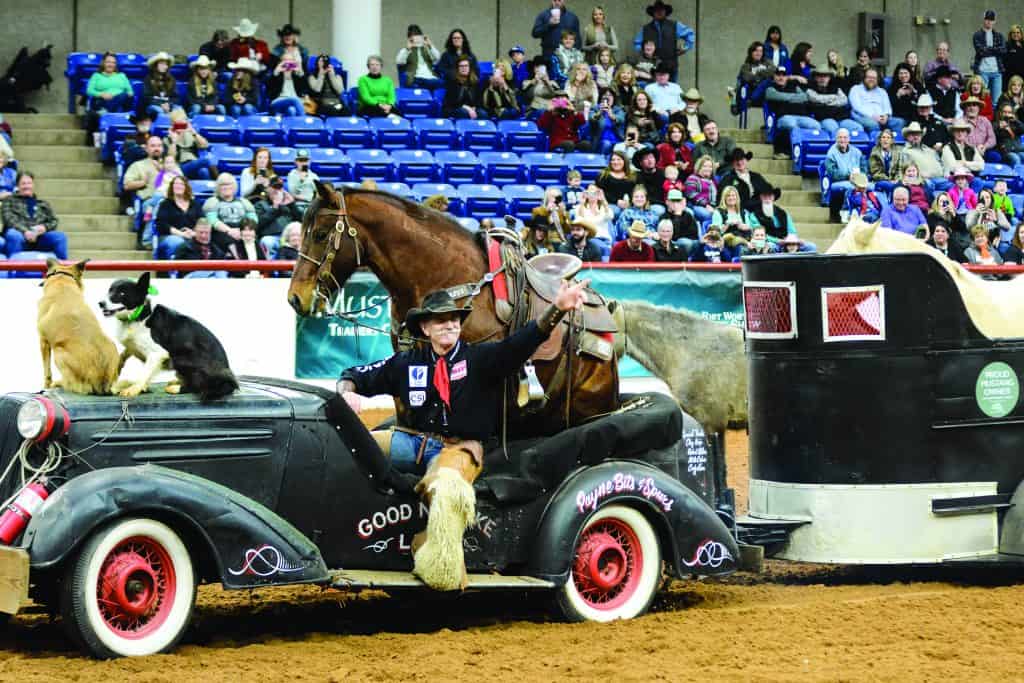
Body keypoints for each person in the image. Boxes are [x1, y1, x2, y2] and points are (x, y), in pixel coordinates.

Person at [338, 279, 588, 588]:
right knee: (345, 448)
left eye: (454, 319)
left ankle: (439, 570)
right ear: (425, 329)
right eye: (440, 320)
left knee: (448, 487)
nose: (450, 324)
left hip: (460, 450)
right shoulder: (406, 363)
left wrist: (557, 309)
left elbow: (522, 342)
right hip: (412, 442)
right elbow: (354, 376)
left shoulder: (480, 359)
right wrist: (346, 392)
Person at [2, 172, 66, 259]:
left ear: (33, 185)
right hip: (19, 236)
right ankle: (13, 269)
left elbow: (54, 221)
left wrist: (44, 227)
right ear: (18, 186)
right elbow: (9, 219)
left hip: (39, 238)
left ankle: (63, 270)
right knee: (13, 235)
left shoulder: (42, 203)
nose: (27, 186)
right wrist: (25, 231)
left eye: (29, 183)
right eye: (23, 183)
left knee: (60, 237)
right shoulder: (9, 200)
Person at [633, 0, 694, 83]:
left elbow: (690, 34)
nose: (659, 12)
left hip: (671, 65)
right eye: (656, 10)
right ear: (653, 12)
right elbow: (637, 43)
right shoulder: (645, 28)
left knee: (671, 90)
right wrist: (645, 54)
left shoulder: (675, 25)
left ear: (665, 11)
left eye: (661, 10)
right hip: (651, 68)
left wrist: (685, 48)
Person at [765, 66, 817, 158]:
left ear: (787, 77)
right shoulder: (770, 88)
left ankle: (810, 153)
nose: (781, 77)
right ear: (774, 76)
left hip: (801, 116)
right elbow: (776, 96)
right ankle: (794, 153)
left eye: (783, 75)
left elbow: (804, 97)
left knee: (816, 126)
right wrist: (795, 98)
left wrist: (787, 98)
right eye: (778, 75)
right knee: (792, 125)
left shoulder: (794, 86)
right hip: (783, 117)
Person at [203, 173, 258, 252]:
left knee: (252, 239)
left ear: (234, 186)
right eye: (223, 185)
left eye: (229, 184)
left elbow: (253, 219)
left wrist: (244, 231)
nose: (226, 187)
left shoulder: (244, 202)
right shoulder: (212, 202)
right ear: (218, 187)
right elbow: (212, 220)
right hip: (222, 232)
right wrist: (229, 231)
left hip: (244, 230)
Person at [154, 175, 202, 260]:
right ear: (172, 187)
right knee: (178, 242)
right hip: (169, 236)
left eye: (181, 184)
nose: (178, 186)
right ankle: (175, 270)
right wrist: (181, 234)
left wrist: (194, 233)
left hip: (191, 235)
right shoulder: (165, 204)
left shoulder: (194, 204)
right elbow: (161, 225)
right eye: (176, 184)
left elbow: (201, 221)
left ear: (186, 187)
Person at [824, 128, 867, 217]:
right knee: (849, 187)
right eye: (840, 137)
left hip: (858, 180)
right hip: (838, 181)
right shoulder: (831, 154)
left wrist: (860, 178)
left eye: (845, 137)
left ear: (849, 139)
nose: (842, 140)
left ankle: (865, 213)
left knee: (871, 187)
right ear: (836, 139)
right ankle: (846, 212)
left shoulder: (857, 152)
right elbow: (832, 173)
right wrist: (848, 176)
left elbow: (864, 168)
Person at [806, 67, 861, 135]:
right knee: (834, 130)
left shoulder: (836, 88)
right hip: (825, 118)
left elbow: (844, 100)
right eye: (820, 76)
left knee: (858, 128)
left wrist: (827, 103)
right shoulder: (810, 89)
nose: (823, 78)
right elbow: (816, 98)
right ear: (815, 78)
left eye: (825, 76)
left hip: (842, 118)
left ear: (829, 78)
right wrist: (834, 97)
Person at [164, 109, 215, 181]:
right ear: (172, 124)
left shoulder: (191, 134)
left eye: (182, 124)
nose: (180, 127)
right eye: (177, 125)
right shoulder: (167, 139)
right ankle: (218, 180)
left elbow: (205, 145)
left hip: (194, 163)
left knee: (204, 172)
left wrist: (194, 133)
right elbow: (171, 158)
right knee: (207, 160)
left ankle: (208, 190)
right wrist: (174, 142)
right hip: (179, 167)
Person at [900, 122, 949, 194]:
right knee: (929, 185)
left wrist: (946, 172)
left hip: (941, 179)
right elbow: (904, 171)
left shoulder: (930, 150)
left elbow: (941, 164)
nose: (916, 137)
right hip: (923, 181)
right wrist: (919, 178)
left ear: (921, 136)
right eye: (912, 134)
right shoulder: (905, 151)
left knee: (955, 186)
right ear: (907, 136)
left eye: (918, 134)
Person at [849, 68, 903, 132]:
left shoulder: (882, 91)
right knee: (873, 124)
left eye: (874, 78)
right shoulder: (855, 89)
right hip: (863, 117)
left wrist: (886, 116)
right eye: (869, 77)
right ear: (864, 78)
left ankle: (894, 142)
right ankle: (877, 141)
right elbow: (857, 107)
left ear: (877, 79)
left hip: (882, 117)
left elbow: (887, 106)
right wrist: (873, 116)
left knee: (899, 122)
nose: (871, 80)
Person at [710, 185, 758, 250]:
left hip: (744, 237)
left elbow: (750, 228)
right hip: (728, 241)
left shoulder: (743, 212)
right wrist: (727, 225)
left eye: (733, 195)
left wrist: (742, 226)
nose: (731, 198)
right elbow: (715, 232)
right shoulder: (718, 212)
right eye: (728, 196)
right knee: (733, 240)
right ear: (724, 198)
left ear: (737, 197)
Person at [972, 10, 1005, 103]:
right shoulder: (977, 35)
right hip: (982, 71)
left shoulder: (999, 36)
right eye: (987, 19)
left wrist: (988, 49)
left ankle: (994, 117)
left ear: (994, 21)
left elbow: (1003, 51)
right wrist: (995, 50)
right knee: (981, 99)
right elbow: (980, 51)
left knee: (996, 101)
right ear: (984, 20)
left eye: (991, 20)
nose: (989, 21)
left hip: (997, 71)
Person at [397, 24, 442, 89]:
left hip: (431, 77)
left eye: (417, 35)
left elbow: (438, 58)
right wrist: (407, 49)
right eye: (413, 36)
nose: (416, 38)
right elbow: (399, 61)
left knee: (441, 83)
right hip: (415, 78)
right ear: (409, 38)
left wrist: (430, 45)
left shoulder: (427, 49)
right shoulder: (406, 50)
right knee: (430, 83)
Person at [267, 50, 309, 117]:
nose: (288, 62)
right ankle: (304, 123)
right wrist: (275, 73)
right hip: (278, 101)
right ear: (280, 62)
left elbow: (305, 90)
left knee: (291, 110)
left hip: (295, 102)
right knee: (294, 99)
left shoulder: (296, 75)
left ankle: (292, 127)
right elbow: (269, 91)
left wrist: (300, 73)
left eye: (290, 60)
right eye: (285, 60)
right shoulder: (277, 74)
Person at [140, 52, 181, 121]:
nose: (164, 66)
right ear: (155, 65)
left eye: (166, 64)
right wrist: (161, 104)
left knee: (179, 110)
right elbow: (146, 98)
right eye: (161, 64)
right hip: (153, 106)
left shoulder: (171, 79)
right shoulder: (148, 79)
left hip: (168, 105)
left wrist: (169, 104)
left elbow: (176, 97)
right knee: (160, 111)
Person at [867, 128, 906, 196]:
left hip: (895, 180)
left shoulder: (898, 152)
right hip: (880, 180)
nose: (885, 140)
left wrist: (897, 179)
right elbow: (875, 173)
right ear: (880, 140)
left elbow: (900, 169)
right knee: (888, 185)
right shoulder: (874, 152)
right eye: (883, 137)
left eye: (888, 138)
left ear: (892, 141)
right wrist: (889, 180)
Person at [739, 41, 777, 108]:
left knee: (768, 81)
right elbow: (747, 78)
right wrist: (763, 75)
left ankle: (752, 99)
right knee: (767, 81)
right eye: (756, 51)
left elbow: (774, 71)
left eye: (761, 51)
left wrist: (759, 73)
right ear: (751, 52)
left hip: (767, 92)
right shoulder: (746, 66)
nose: (758, 53)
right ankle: (751, 99)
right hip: (753, 90)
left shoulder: (767, 62)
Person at [587, 88, 625, 153]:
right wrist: (600, 112)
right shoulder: (595, 108)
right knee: (606, 144)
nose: (607, 97)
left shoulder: (618, 109)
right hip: (600, 141)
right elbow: (591, 119)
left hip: (617, 140)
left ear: (613, 98)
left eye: (610, 95)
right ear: (601, 98)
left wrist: (611, 114)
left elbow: (621, 119)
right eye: (605, 95)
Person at [683, 155, 717, 223]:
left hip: (711, 206)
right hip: (695, 205)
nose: (708, 168)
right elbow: (691, 194)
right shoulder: (692, 178)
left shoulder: (713, 181)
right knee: (708, 215)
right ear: (699, 167)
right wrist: (706, 205)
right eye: (705, 166)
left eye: (710, 167)